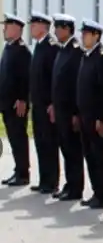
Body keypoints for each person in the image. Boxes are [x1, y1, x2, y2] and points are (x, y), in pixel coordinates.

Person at [76, 19, 103, 209]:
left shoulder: (102, 59)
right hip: (85, 117)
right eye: (82, 34)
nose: (83, 37)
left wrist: (102, 118)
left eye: (86, 34)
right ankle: (96, 192)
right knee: (90, 156)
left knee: (100, 157)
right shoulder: (87, 57)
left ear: (96, 36)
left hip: (97, 119)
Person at [49, 13, 85, 201]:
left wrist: (75, 113)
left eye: (58, 27)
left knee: (73, 151)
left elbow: (75, 85)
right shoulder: (63, 50)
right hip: (61, 110)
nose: (55, 31)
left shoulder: (75, 51)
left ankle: (75, 188)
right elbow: (57, 82)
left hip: (70, 111)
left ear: (67, 29)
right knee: (65, 149)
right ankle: (69, 184)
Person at [28, 12, 60, 194]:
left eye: (34, 24)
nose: (31, 28)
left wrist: (53, 103)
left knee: (49, 142)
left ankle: (52, 181)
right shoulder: (39, 46)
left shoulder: (51, 46)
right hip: (38, 105)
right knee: (40, 142)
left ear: (43, 26)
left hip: (48, 105)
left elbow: (53, 79)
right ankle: (44, 179)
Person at [0, 13, 32, 187]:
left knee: (19, 137)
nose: (4, 29)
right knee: (12, 137)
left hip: (16, 104)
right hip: (6, 103)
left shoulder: (22, 51)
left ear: (17, 29)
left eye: (7, 26)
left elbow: (26, 78)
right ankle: (18, 170)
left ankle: (23, 172)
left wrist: (23, 99)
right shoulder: (9, 48)